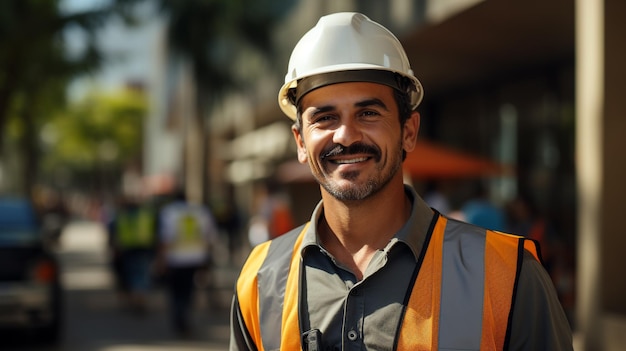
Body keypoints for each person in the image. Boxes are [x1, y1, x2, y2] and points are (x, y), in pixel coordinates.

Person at [230, 12, 573, 351]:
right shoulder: (260, 279)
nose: (346, 136)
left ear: (408, 132)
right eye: (325, 118)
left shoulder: (509, 275)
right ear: (301, 143)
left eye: (369, 113)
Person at [157, 190, 218, 336]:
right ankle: (184, 316)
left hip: (175, 259)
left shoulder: (168, 212)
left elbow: (166, 238)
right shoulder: (200, 212)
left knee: (175, 292)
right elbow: (210, 236)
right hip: (196, 258)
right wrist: (208, 257)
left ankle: (179, 317)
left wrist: (161, 259)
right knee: (188, 291)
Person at [107, 194, 158, 312]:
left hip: (127, 249)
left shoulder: (121, 216)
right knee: (143, 273)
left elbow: (112, 233)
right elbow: (155, 232)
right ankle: (141, 298)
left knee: (132, 274)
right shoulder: (146, 215)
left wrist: (113, 248)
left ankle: (136, 298)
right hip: (144, 248)